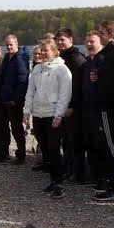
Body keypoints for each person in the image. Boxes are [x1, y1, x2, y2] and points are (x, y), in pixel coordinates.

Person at [24, 37, 73, 198]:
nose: (43, 53)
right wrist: (26, 111)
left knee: (53, 149)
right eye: (42, 50)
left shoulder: (62, 70)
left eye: (46, 50)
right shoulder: (37, 69)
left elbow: (65, 94)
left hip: (53, 114)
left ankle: (59, 182)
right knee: (45, 149)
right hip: (38, 114)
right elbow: (30, 92)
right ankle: (52, 180)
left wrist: (59, 114)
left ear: (54, 51)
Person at [80, 29, 114, 198]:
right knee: (94, 147)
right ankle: (98, 177)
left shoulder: (104, 59)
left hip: (103, 110)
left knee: (109, 148)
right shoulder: (87, 62)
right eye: (87, 41)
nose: (89, 45)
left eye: (92, 42)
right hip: (88, 109)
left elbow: (111, 84)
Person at [56, 28, 88, 184]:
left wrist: (72, 105)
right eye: (58, 40)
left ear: (71, 40)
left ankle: (78, 173)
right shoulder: (61, 58)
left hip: (74, 107)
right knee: (67, 140)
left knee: (76, 142)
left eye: (63, 39)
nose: (60, 42)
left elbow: (77, 86)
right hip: (63, 105)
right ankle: (68, 169)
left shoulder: (76, 58)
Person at [0, 34, 30, 163]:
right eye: (7, 45)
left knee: (16, 129)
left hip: (14, 101)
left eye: (11, 44)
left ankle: (21, 155)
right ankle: (3, 154)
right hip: (4, 99)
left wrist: (16, 99)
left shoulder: (20, 58)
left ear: (16, 43)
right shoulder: (7, 58)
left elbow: (22, 81)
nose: (9, 47)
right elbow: (3, 79)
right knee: (1, 127)